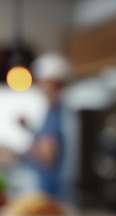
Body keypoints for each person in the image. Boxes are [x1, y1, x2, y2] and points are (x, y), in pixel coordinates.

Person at [18, 53, 78, 201]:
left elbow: (48, 156)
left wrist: (17, 154)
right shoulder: (62, 109)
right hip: (59, 193)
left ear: (52, 82)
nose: (39, 86)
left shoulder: (55, 111)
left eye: (40, 81)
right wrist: (30, 129)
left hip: (55, 195)